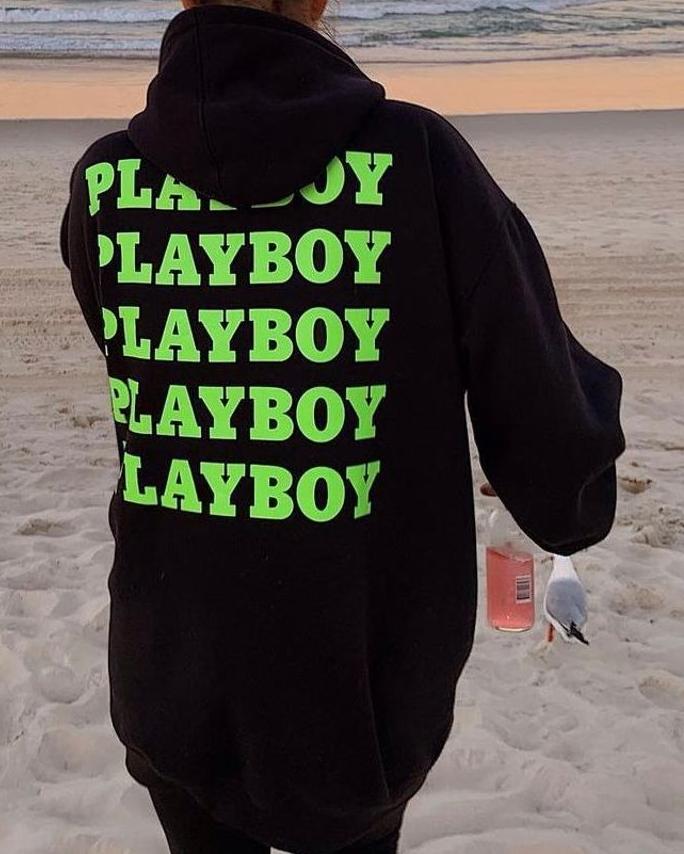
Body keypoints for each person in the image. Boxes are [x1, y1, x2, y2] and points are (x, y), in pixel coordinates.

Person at [59, 1, 626, 852]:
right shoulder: (418, 159)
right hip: (360, 683)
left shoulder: (105, 181)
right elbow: (550, 427)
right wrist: (571, 500)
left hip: (172, 665)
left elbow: (143, 353)